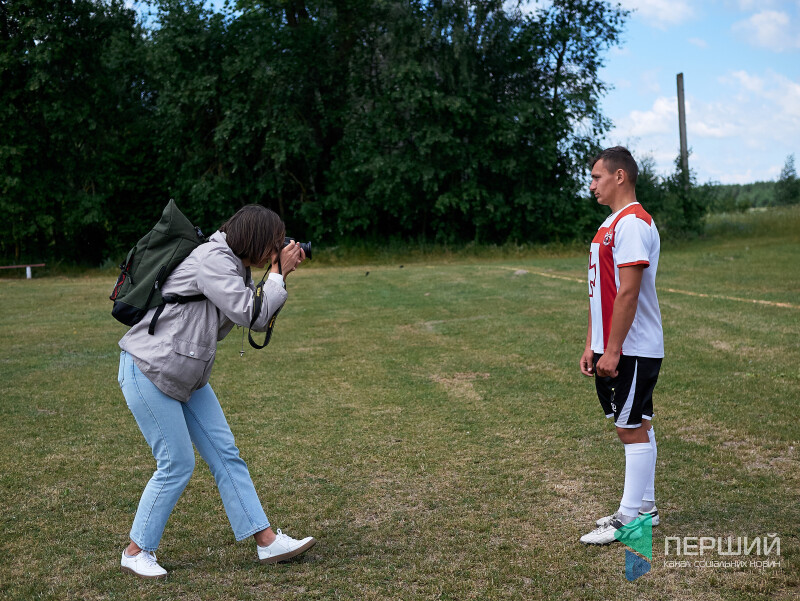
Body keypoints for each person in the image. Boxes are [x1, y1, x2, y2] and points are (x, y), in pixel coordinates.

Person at [117, 204, 316, 578]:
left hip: (186, 374)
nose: (276, 250)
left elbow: (254, 316)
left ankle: (267, 541)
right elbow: (253, 315)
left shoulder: (234, 265)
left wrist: (276, 274)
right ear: (255, 239)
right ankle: (136, 551)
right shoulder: (213, 259)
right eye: (273, 243)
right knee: (176, 463)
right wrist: (277, 273)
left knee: (226, 454)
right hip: (149, 369)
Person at [578, 147, 663, 545]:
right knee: (638, 424)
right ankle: (646, 508)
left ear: (619, 176)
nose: (591, 185)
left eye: (597, 177)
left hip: (633, 347)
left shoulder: (633, 223)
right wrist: (592, 343)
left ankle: (629, 519)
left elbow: (628, 293)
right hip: (615, 345)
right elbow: (601, 292)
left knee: (629, 429)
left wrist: (613, 350)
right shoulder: (610, 223)